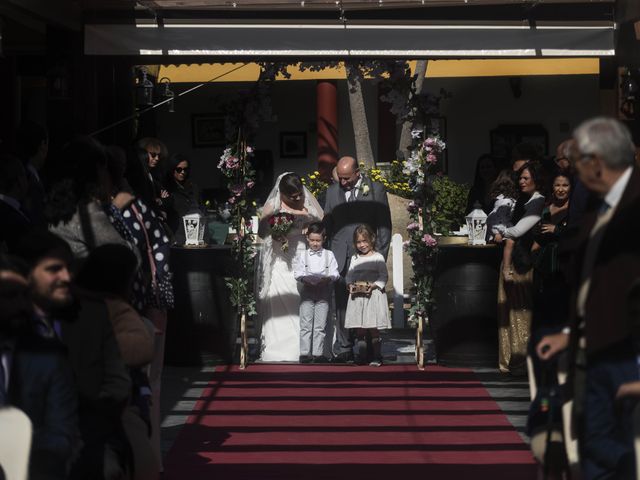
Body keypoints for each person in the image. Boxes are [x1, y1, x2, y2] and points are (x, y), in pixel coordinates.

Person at [536, 117, 640, 480]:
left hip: (628, 356)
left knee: (617, 452)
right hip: (594, 350)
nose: (570, 171)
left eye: (577, 162)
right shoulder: (600, 205)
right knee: (592, 448)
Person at [11, 230, 132, 479]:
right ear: (26, 273)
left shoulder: (91, 315)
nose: (66, 277)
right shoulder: (9, 322)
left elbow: (117, 386)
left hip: (87, 438)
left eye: (68, 268)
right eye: (54, 269)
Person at [0, 255, 78, 479]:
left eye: (23, 295)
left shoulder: (48, 357)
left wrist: (20, 455)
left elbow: (62, 431)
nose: (18, 304)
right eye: (8, 295)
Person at [323, 156, 391, 362]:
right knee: (342, 304)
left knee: (366, 303)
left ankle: (368, 347)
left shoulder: (376, 189)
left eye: (347, 178)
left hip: (366, 256)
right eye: (340, 178)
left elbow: (384, 226)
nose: (342, 183)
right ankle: (344, 347)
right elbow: (328, 223)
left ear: (357, 173)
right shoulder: (332, 191)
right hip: (340, 255)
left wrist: (377, 258)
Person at [257, 172, 323, 362]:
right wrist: (273, 229)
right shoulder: (273, 206)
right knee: (278, 297)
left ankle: (308, 346)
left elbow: (320, 221)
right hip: (280, 258)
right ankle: (281, 346)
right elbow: (262, 231)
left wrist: (307, 221)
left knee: (304, 298)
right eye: (292, 196)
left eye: (299, 194)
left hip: (302, 255)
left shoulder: (306, 203)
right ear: (282, 193)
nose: (297, 198)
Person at [494, 162, 545, 374]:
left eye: (526, 178)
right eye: (520, 179)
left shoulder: (538, 201)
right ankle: (508, 360)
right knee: (507, 310)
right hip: (512, 259)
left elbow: (518, 231)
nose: (522, 182)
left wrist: (501, 232)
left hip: (525, 263)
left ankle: (523, 360)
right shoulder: (522, 200)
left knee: (522, 312)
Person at [344, 224, 391, 367]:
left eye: (365, 241)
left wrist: (373, 285)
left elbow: (383, 276)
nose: (362, 245)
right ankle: (362, 356)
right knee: (360, 329)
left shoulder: (378, 257)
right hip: (358, 297)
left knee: (373, 328)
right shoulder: (355, 258)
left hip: (373, 297)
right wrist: (350, 284)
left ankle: (377, 356)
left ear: (372, 239)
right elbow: (349, 275)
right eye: (359, 242)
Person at [292, 222, 339, 363]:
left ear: (324, 239)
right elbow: (298, 272)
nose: (315, 243)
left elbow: (335, 273)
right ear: (307, 239)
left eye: (318, 240)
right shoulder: (303, 255)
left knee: (320, 324)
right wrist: (304, 278)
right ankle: (305, 353)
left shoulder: (329, 255)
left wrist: (327, 279)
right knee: (306, 323)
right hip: (308, 291)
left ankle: (318, 354)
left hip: (323, 291)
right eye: (312, 240)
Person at [485, 169, 518, 279]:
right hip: (500, 228)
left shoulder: (505, 199)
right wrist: (497, 232)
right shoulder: (506, 201)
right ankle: (506, 268)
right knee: (510, 241)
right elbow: (498, 218)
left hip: (502, 226)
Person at [165, 153, 202, 243]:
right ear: (172, 169)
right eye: (179, 169)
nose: (182, 172)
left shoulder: (193, 187)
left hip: (196, 233)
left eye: (185, 169)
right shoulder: (167, 188)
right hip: (177, 235)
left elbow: (199, 206)